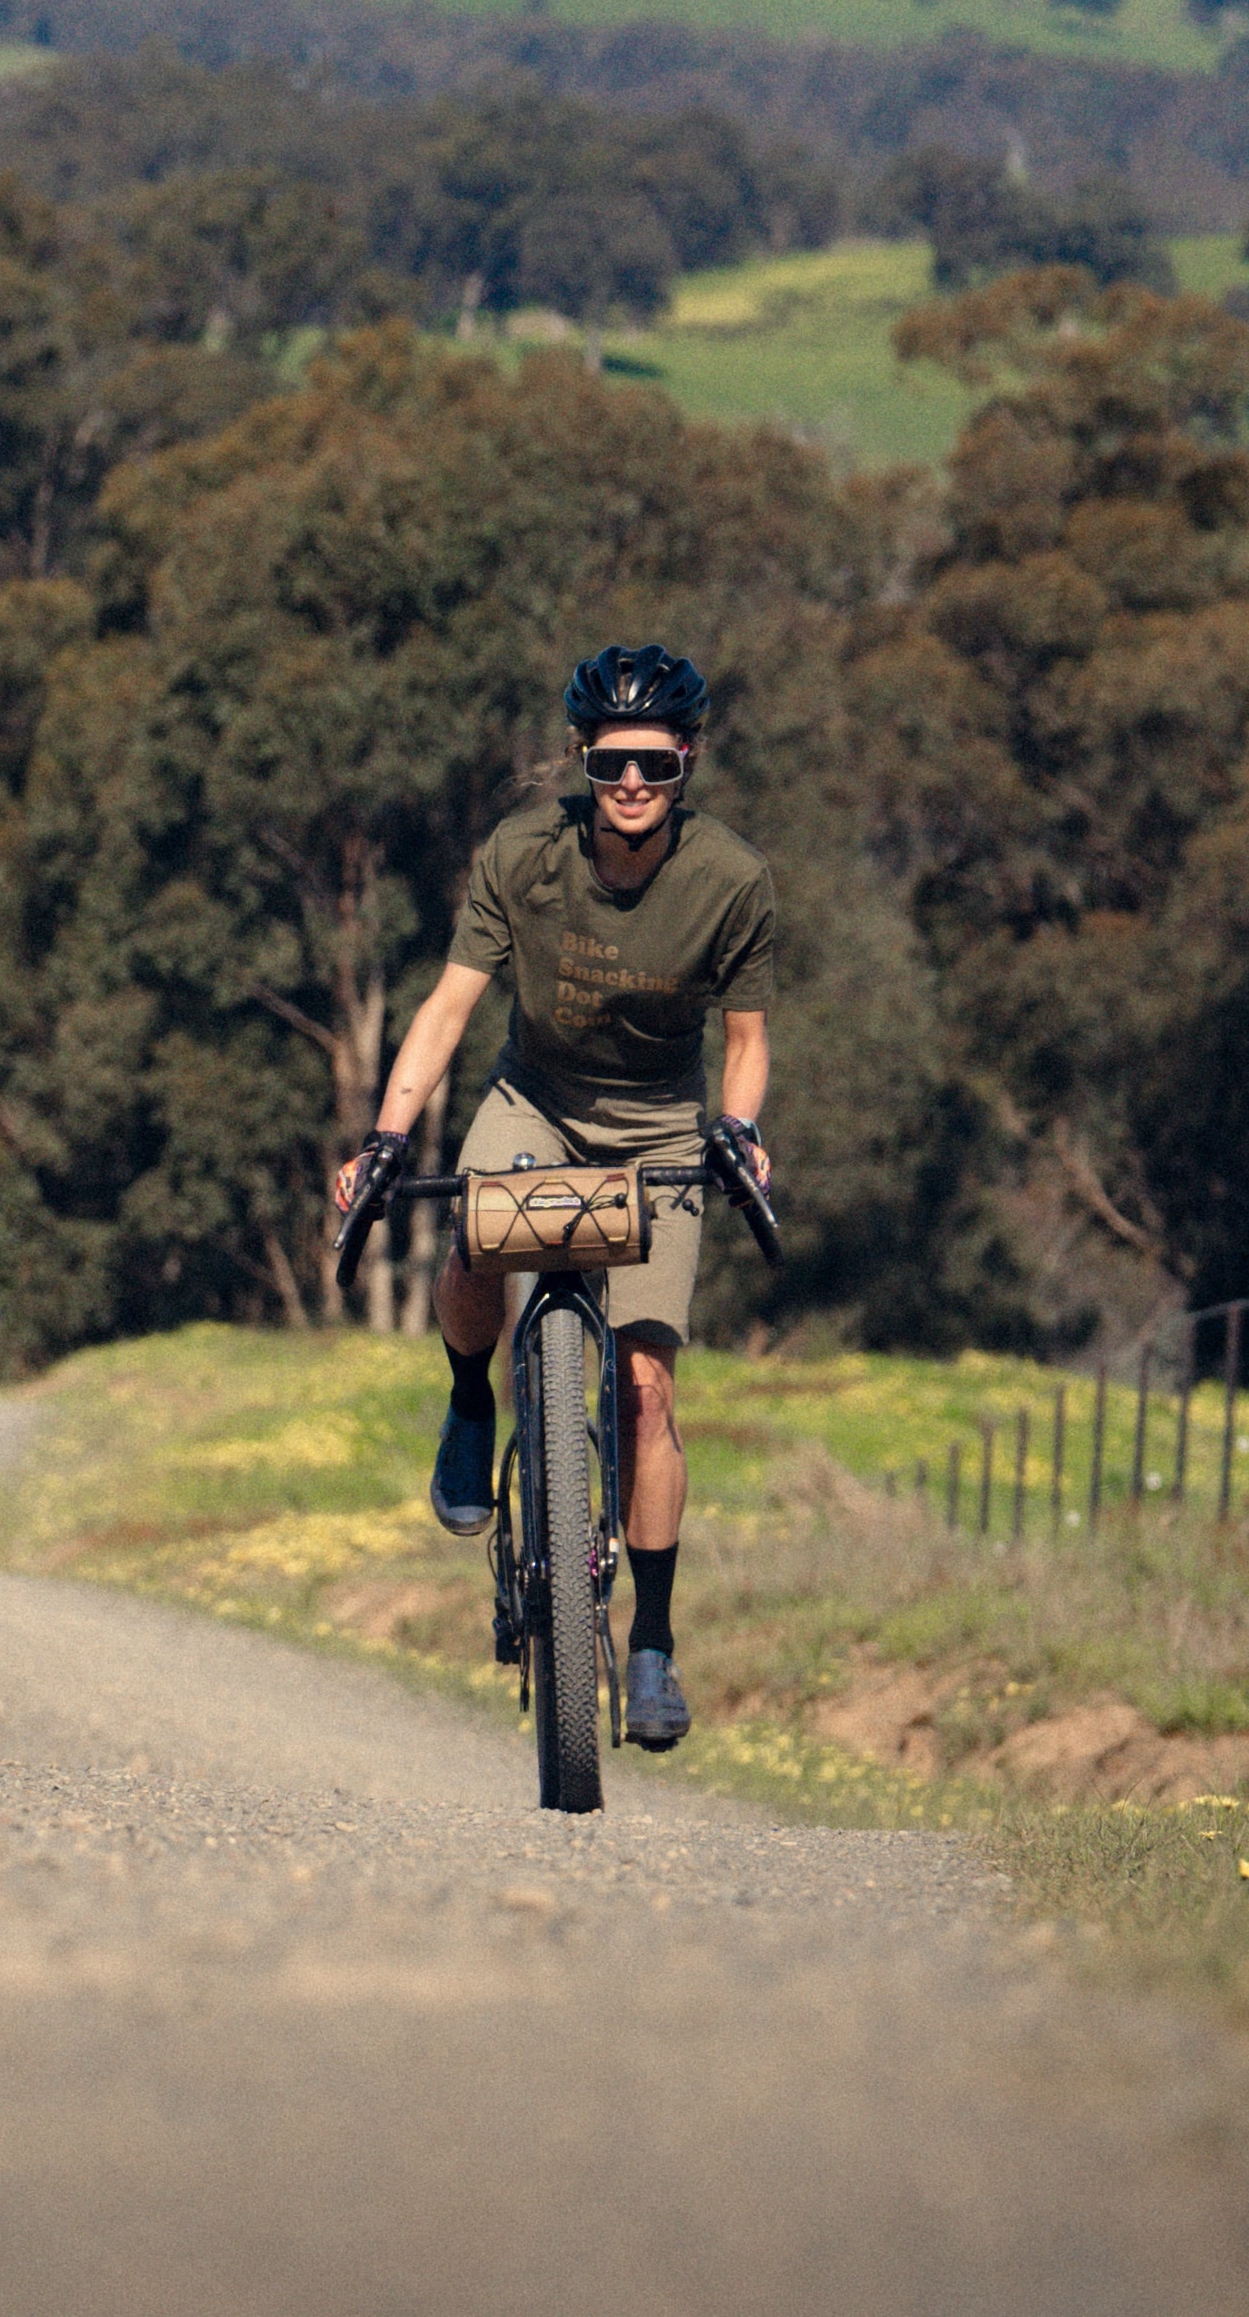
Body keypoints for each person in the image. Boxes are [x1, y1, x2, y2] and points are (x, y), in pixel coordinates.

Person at [347, 645, 774, 1755]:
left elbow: (746, 1041)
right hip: (534, 1102)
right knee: (472, 1248)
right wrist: (387, 1137)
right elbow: (447, 1007)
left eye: (654, 764)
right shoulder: (521, 856)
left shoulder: (728, 878)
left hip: (655, 1130)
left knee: (642, 1392)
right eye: (609, 762)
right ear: (582, 759)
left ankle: (650, 1647)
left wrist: (738, 1134)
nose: (630, 784)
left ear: (686, 759)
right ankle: (467, 1401)